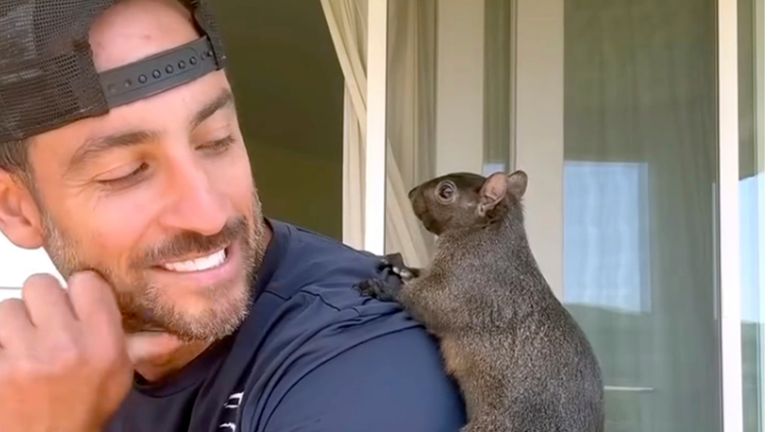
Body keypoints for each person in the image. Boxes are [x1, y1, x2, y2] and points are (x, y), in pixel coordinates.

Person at [0, 0, 466, 431]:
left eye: (216, 140)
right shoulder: (37, 378)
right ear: (16, 209)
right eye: (126, 173)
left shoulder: (364, 363)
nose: (208, 215)